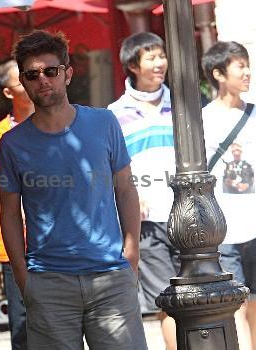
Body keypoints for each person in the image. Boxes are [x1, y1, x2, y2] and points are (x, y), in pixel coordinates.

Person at [0, 29, 147, 350]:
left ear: (67, 74)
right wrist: (25, 280)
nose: (43, 80)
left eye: (51, 71)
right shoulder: (11, 143)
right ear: (23, 82)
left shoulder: (104, 123)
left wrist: (131, 255)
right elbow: (8, 214)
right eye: (32, 74)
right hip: (48, 282)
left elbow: (126, 190)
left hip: (110, 278)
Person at [202, 40, 256, 350]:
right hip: (224, 226)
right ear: (219, 74)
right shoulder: (204, 119)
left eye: (247, 65)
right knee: (238, 301)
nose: (247, 72)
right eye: (239, 66)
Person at [108, 32, 179, 350]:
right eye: (151, 57)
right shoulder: (113, 114)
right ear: (133, 65)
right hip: (147, 221)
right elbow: (110, 169)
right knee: (168, 301)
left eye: (161, 55)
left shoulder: (182, 105)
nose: (160, 63)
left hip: (188, 215)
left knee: (196, 297)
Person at [0, 58, 34, 350]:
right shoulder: (0, 134)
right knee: (22, 322)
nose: (32, 83)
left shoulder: (54, 124)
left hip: (54, 239)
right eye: (23, 79)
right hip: (16, 242)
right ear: (7, 92)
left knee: (58, 317)